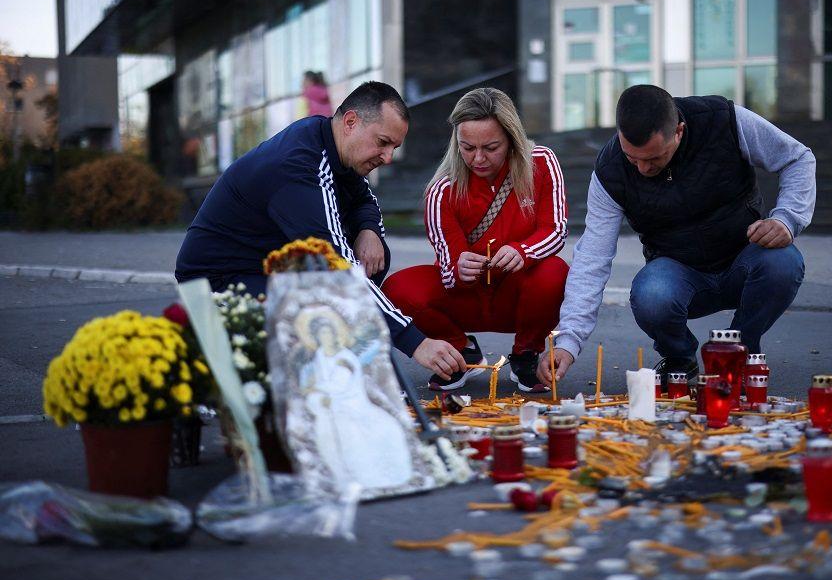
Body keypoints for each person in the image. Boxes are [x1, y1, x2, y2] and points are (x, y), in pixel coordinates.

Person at [175, 81, 465, 380]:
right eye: (382, 142)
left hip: (265, 268)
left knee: (371, 259)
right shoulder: (298, 168)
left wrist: (369, 230)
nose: (388, 157)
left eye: (394, 147)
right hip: (218, 283)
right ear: (351, 122)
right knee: (330, 302)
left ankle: (341, 371)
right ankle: (245, 370)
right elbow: (338, 268)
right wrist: (416, 342)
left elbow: (364, 199)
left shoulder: (330, 140)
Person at [539, 85, 814, 391]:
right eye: (633, 159)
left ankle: (741, 352)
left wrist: (787, 218)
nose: (643, 169)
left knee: (784, 262)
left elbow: (797, 158)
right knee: (651, 294)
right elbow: (592, 255)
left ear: (679, 131)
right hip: (678, 274)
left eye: (655, 158)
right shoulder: (610, 170)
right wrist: (568, 340)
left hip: (745, 260)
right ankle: (679, 359)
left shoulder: (724, 120)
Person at [382, 88, 569, 392]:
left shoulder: (542, 162)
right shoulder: (442, 190)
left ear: (511, 138)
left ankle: (526, 354)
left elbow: (556, 229)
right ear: (456, 142)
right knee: (395, 289)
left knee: (555, 271)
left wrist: (522, 251)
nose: (478, 158)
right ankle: (459, 352)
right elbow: (447, 267)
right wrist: (459, 267)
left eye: (491, 147)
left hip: (520, 290)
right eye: (467, 147)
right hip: (469, 297)